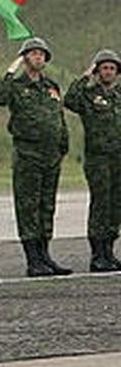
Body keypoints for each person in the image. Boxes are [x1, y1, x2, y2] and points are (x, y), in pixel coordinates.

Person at [0, 37, 72, 276]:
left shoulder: (51, 86)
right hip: (28, 155)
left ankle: (45, 256)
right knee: (28, 207)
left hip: (51, 156)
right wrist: (11, 68)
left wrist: (62, 145)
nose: (38, 57)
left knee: (47, 206)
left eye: (41, 54)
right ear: (25, 58)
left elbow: (59, 117)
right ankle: (33, 260)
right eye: (33, 53)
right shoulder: (15, 86)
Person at [64, 49, 121, 272]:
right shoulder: (89, 96)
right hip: (98, 160)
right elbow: (70, 100)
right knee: (100, 204)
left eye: (112, 68)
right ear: (98, 71)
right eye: (104, 68)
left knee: (116, 206)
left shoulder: (118, 97)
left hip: (119, 159)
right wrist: (86, 75)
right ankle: (97, 255)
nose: (108, 72)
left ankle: (109, 251)